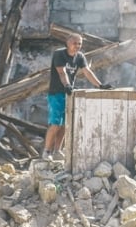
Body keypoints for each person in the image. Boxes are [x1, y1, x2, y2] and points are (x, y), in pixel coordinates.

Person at [44, 33, 110, 161]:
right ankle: (47, 151)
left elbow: (87, 71)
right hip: (56, 93)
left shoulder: (80, 56)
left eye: (79, 43)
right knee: (55, 123)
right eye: (75, 43)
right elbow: (62, 73)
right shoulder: (59, 54)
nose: (77, 46)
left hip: (68, 94)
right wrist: (67, 85)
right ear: (68, 43)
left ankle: (57, 151)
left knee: (64, 125)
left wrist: (100, 85)